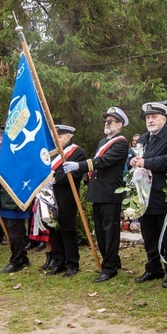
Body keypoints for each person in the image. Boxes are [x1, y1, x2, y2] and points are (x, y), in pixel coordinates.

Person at [63, 106, 129, 282]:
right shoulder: (102, 142)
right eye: (106, 121)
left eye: (111, 121)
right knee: (100, 231)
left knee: (109, 231)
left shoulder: (121, 142)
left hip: (110, 192)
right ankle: (112, 260)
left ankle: (109, 268)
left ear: (120, 124)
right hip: (98, 192)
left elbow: (104, 161)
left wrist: (79, 165)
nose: (106, 124)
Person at [131, 103, 167, 288]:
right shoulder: (143, 138)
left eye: (154, 117)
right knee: (149, 233)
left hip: (164, 193)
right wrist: (134, 161)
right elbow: (139, 159)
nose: (150, 120)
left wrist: (146, 162)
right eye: (148, 117)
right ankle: (153, 268)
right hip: (144, 194)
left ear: (164, 119)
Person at [47, 125, 87, 277]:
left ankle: (72, 264)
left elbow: (76, 173)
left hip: (67, 196)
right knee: (54, 229)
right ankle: (58, 262)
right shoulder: (53, 153)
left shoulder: (77, 152)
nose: (58, 140)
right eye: (56, 137)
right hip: (51, 196)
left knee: (68, 231)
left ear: (69, 136)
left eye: (61, 137)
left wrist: (56, 179)